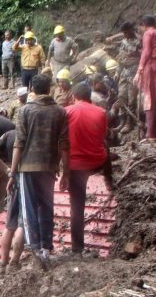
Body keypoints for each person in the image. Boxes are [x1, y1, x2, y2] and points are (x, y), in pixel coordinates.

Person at [8, 74, 69, 266]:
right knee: (47, 207)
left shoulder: (25, 110)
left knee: (29, 210)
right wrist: (63, 169)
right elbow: (64, 144)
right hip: (49, 167)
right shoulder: (60, 111)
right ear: (50, 88)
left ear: (32, 89)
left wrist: (13, 172)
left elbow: (19, 143)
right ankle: (45, 249)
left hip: (27, 167)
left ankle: (34, 248)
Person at [64, 84, 112, 254]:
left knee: (77, 206)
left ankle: (77, 247)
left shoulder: (67, 111)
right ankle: (110, 182)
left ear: (74, 96)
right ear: (89, 97)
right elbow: (103, 135)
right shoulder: (101, 112)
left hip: (74, 166)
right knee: (106, 147)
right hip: (96, 162)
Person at [0, 129, 24, 271]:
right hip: (26, 179)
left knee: (9, 224)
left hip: (12, 180)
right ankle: (14, 262)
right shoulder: (30, 133)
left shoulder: (9, 134)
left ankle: (3, 262)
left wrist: (7, 170)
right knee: (22, 223)